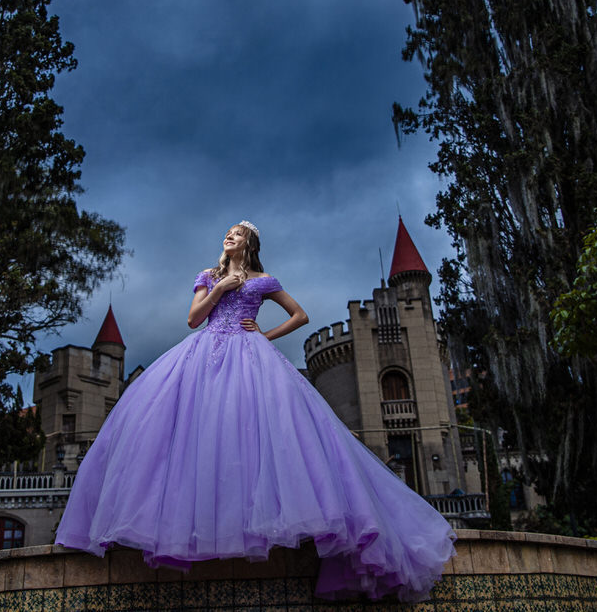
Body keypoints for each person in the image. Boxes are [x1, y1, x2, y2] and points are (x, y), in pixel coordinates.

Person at [55, 221, 456, 600]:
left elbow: (300, 315)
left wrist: (265, 333)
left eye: (237, 234)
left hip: (251, 357)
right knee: (196, 433)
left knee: (259, 432)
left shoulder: (264, 281)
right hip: (204, 353)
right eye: (227, 233)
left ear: (249, 244)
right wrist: (219, 289)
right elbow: (194, 319)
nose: (229, 237)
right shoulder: (208, 275)